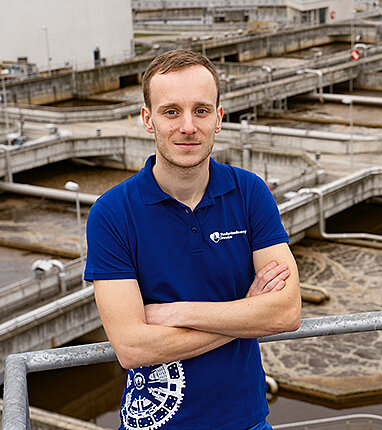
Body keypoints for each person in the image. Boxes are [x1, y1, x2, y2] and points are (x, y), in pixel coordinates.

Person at [84, 49, 301, 430]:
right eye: (171, 112)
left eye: (201, 111)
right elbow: (133, 347)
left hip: (247, 421)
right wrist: (244, 312)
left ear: (218, 119)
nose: (187, 126)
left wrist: (178, 312)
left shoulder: (250, 193)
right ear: (147, 120)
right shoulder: (112, 213)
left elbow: (286, 312)